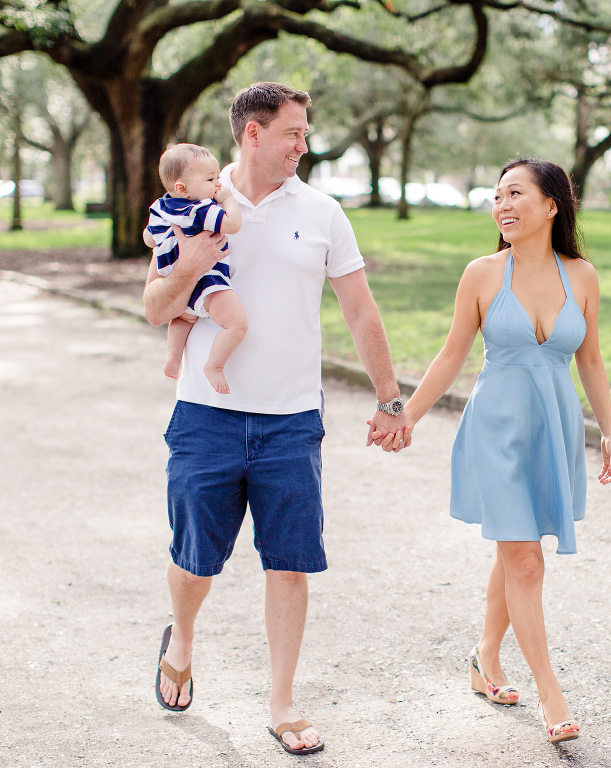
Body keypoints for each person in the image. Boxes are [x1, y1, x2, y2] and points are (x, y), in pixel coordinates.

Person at [143, 82, 408, 755]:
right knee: (196, 560)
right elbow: (154, 307)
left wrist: (389, 397)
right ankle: (183, 635)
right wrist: (194, 265)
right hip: (206, 414)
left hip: (292, 419)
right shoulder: (193, 204)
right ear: (252, 134)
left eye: (305, 132)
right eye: (293, 132)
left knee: (289, 563)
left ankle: (282, 702)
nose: (303, 144)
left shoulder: (322, 211)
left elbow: (359, 308)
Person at [375, 158, 611, 744]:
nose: (503, 206)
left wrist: (610, 431)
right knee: (524, 561)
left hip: (554, 429)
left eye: (515, 194)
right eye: (497, 196)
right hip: (495, 430)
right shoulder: (482, 274)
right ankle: (551, 693)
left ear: (551, 206)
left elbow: (590, 359)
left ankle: (484, 658)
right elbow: (451, 353)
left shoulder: (582, 276)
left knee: (516, 554)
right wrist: (404, 415)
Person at [142, 143, 245, 395]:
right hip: (207, 281)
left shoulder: (160, 207)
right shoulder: (200, 209)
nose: (217, 184)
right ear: (182, 188)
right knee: (236, 325)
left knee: (183, 318)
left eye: (218, 177)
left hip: (173, 279)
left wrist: (168, 243)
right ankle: (214, 365)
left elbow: (148, 238)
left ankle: (174, 358)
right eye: (211, 179)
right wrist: (228, 200)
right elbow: (232, 224)